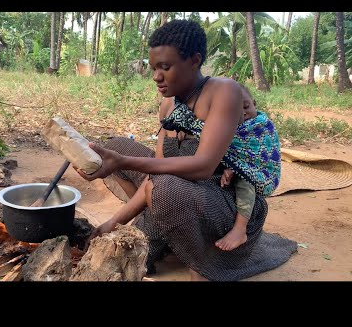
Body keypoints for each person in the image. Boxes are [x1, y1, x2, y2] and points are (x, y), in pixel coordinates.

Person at [77, 19, 296, 281]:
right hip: (171, 190)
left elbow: (203, 167)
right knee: (116, 146)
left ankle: (200, 261)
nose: (157, 76)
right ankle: (162, 220)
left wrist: (124, 169)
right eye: (153, 68)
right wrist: (113, 222)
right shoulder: (169, 104)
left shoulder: (225, 92)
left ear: (194, 60)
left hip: (223, 198)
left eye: (165, 67)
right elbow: (153, 176)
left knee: (164, 188)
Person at [216, 84, 279, 251]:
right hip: (235, 170)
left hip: (259, 173)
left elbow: (261, 156)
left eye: (246, 106)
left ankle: (240, 229)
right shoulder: (228, 127)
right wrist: (230, 166)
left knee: (246, 182)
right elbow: (227, 151)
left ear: (254, 103)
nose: (243, 112)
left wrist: (237, 168)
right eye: (236, 110)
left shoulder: (263, 125)